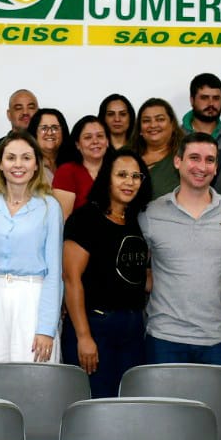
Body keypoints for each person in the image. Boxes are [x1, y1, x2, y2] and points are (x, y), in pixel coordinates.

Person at [140, 133, 221, 364]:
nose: (202, 167)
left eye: (209, 160)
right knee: (166, 402)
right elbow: (135, 271)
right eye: (194, 158)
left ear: (216, 167)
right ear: (178, 162)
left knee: (215, 402)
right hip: (164, 337)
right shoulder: (152, 212)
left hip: (217, 339)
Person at [61, 147, 152, 398]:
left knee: (129, 405)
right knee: (97, 405)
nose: (129, 182)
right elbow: (71, 280)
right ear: (106, 177)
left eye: (136, 176)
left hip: (132, 326)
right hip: (95, 325)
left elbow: (138, 275)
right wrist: (84, 336)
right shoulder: (85, 218)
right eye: (121, 174)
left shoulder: (134, 219)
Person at [0, 132, 64, 364]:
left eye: (26, 158)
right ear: (0, 164)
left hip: (33, 300)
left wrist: (46, 328)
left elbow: (55, 272)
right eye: (11, 158)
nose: (18, 164)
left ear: (36, 165)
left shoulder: (49, 206)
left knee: (34, 382)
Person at [182, 73, 221, 173]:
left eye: (216, 98)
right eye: (204, 98)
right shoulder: (176, 135)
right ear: (192, 100)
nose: (211, 103)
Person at [53, 115, 109, 217]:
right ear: (78, 144)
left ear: (107, 141)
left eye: (100, 136)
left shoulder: (116, 170)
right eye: (88, 137)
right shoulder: (67, 172)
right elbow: (64, 221)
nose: (95, 141)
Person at [134, 97, 183, 198]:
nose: (153, 125)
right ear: (139, 128)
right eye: (146, 120)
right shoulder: (125, 155)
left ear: (173, 125)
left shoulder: (185, 157)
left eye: (160, 119)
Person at [0, 89, 40, 165]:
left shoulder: (49, 149)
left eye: (31, 107)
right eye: (18, 108)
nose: (25, 112)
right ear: (9, 114)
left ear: (39, 112)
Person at [27, 108, 75, 181]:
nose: (49, 133)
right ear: (34, 132)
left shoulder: (74, 163)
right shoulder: (27, 164)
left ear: (63, 132)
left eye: (55, 128)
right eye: (44, 128)